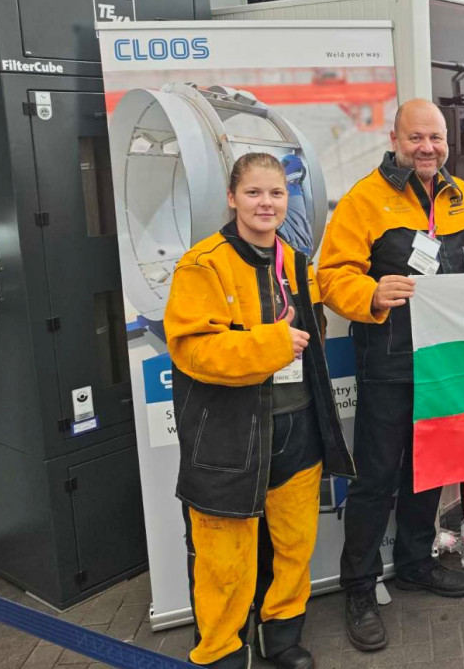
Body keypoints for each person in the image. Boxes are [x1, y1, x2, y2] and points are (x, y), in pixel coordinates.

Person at [318, 99, 464, 651]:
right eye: (415, 138)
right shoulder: (365, 199)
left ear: (446, 141)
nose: (427, 147)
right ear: (395, 139)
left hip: (445, 362)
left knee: (431, 467)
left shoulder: (463, 197)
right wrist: (372, 294)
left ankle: (413, 564)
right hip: (386, 359)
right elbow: (331, 275)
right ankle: (359, 584)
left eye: (436, 137)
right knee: (377, 476)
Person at [164, 152, 356, 669]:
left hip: (299, 428)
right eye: (253, 193)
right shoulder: (202, 264)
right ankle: (223, 653)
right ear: (231, 198)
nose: (266, 203)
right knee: (225, 559)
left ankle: (283, 637)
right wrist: (270, 344)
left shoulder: (295, 260)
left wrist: (375, 295)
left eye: (275, 193)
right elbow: (193, 351)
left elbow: (320, 318)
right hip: (230, 438)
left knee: (294, 546)